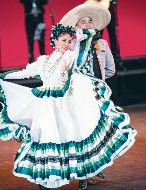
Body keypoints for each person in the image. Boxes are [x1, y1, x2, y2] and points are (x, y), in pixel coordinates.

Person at [0, 16, 136, 189]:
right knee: (47, 138)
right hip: (47, 106)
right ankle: (47, 176)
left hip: (66, 104)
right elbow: (25, 73)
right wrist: (1, 76)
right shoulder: (43, 61)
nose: (67, 44)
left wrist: (85, 37)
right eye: (64, 40)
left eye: (69, 41)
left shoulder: (70, 57)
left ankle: (83, 175)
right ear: (55, 41)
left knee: (73, 137)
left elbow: (80, 59)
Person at [59, 3, 116, 188]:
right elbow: (66, 68)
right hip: (78, 95)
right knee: (82, 133)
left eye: (90, 21)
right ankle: (84, 176)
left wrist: (99, 82)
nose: (87, 24)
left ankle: (94, 167)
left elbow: (110, 69)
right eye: (83, 21)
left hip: (97, 95)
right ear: (76, 26)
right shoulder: (73, 44)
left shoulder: (103, 43)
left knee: (97, 132)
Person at [85, 0, 121, 67]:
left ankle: (116, 59)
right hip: (95, 7)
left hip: (107, 5)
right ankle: (97, 60)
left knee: (113, 34)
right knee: (97, 36)